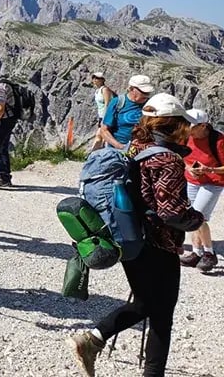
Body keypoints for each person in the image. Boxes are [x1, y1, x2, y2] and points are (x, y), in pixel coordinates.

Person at [66, 93, 204, 377]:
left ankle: (93, 339)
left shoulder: (135, 146)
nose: (187, 130)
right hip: (159, 244)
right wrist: (198, 219)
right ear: (174, 125)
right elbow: (170, 212)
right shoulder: (168, 160)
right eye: (184, 125)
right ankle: (136, 365)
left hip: (128, 235)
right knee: (162, 315)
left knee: (144, 302)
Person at [179, 109, 223, 273]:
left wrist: (209, 169)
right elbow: (180, 155)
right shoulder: (185, 136)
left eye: (192, 126)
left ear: (204, 126)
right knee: (192, 216)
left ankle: (209, 254)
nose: (188, 129)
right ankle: (196, 253)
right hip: (192, 180)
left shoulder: (218, 140)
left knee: (198, 216)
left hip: (213, 182)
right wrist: (188, 167)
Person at [98, 75, 154, 150]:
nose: (146, 95)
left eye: (148, 92)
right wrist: (120, 146)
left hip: (142, 149)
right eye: (143, 91)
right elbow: (104, 130)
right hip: (118, 149)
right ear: (132, 89)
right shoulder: (118, 102)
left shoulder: (150, 104)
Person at [89, 72, 114, 152]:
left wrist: (105, 118)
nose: (95, 80)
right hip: (101, 116)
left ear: (102, 80)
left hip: (106, 116)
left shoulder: (105, 89)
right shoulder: (97, 91)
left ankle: (91, 154)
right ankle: (100, 154)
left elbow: (107, 104)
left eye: (97, 78)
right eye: (94, 78)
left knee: (99, 135)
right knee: (103, 137)